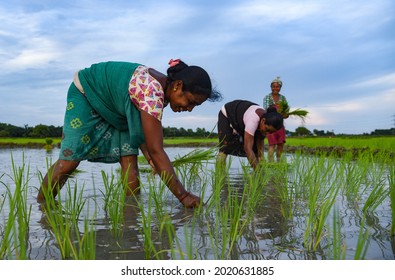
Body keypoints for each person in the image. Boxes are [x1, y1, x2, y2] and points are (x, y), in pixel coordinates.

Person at [36, 59, 222, 208]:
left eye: (194, 106)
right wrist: (183, 196)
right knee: (69, 161)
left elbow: (145, 137)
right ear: (177, 86)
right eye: (189, 101)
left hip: (118, 108)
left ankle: (130, 217)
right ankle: (42, 207)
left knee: (129, 160)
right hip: (86, 92)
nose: (188, 109)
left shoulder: (161, 91)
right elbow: (156, 149)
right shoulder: (152, 92)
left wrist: (150, 158)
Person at [217, 99, 283, 170]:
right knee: (224, 148)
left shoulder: (265, 122)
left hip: (241, 120)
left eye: (271, 132)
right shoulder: (253, 120)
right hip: (228, 114)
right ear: (263, 121)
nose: (267, 133)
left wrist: (261, 159)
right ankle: (220, 175)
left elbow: (260, 147)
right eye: (267, 130)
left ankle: (257, 176)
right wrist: (258, 171)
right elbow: (247, 148)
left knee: (256, 151)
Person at [263, 77, 289, 162]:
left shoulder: (283, 98)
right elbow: (266, 110)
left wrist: (285, 114)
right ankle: (271, 162)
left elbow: (286, 111)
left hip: (280, 125)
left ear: (280, 88)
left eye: (277, 87)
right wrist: (277, 112)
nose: (275, 88)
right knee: (272, 145)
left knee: (280, 144)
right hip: (271, 124)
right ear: (271, 87)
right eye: (273, 86)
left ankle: (278, 161)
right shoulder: (267, 98)